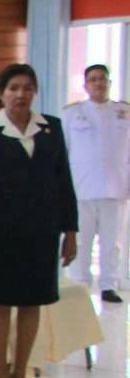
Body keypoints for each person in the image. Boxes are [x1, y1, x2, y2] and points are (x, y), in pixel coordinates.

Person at [0, 64, 78, 378]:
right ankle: (1, 371)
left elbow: (64, 181)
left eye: (27, 88)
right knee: (0, 302)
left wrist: (70, 230)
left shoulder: (51, 128)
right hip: (0, 231)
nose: (20, 94)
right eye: (13, 88)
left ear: (35, 92)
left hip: (42, 230)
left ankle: (21, 371)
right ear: (1, 93)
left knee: (33, 302)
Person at [61, 64, 129, 302]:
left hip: (116, 186)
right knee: (81, 240)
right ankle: (80, 284)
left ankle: (108, 284)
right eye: (93, 79)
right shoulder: (71, 114)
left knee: (113, 242)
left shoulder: (124, 112)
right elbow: (64, 151)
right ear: (85, 85)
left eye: (103, 79)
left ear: (109, 83)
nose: (98, 83)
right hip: (82, 187)